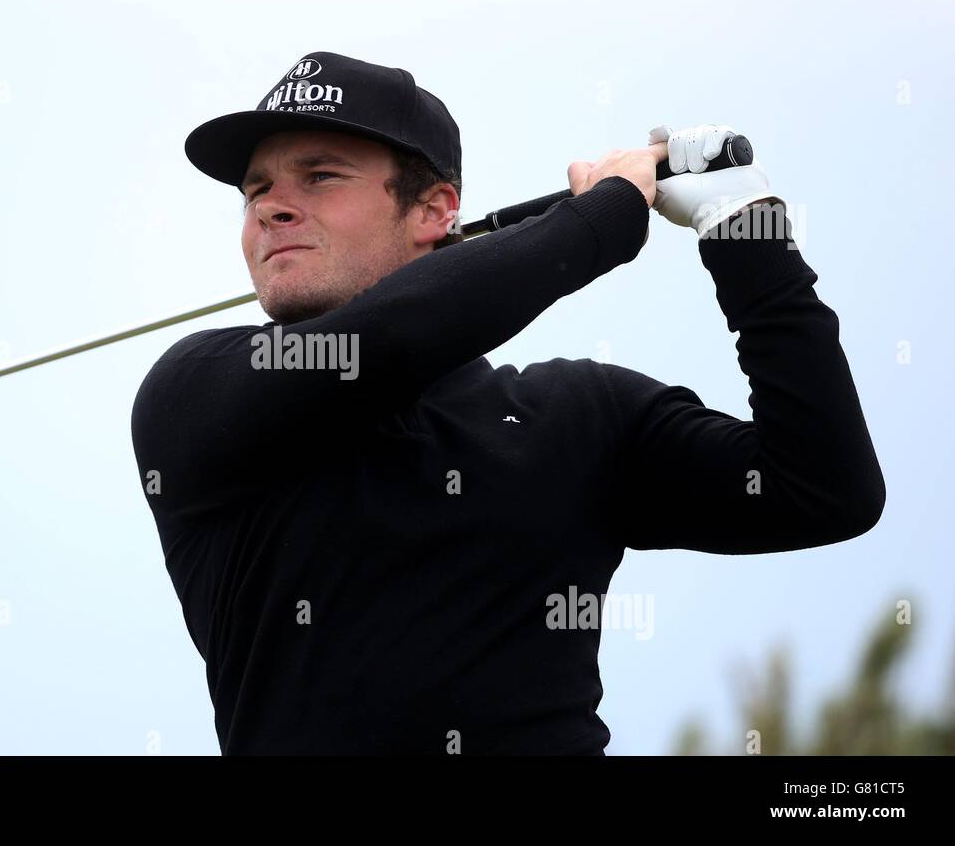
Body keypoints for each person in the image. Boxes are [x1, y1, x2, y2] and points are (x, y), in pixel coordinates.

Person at [130, 50, 886, 755]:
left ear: (436, 210)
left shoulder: (577, 413)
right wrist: (600, 219)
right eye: (256, 189)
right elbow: (392, 338)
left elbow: (822, 488)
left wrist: (747, 233)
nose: (270, 208)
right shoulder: (194, 393)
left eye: (320, 176)